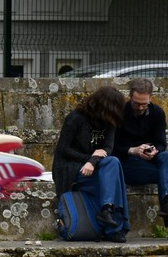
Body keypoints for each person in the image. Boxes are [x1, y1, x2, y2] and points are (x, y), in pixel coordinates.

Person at [113, 79, 168, 242]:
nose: (140, 107)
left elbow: (161, 143)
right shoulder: (119, 113)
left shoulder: (157, 113)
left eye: (144, 104)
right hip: (126, 163)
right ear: (130, 97)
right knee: (166, 175)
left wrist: (153, 150)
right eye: (136, 103)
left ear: (150, 98)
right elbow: (111, 147)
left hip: (148, 162)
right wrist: (133, 151)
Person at [52, 86, 129, 242]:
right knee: (112, 176)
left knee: (113, 162)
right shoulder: (75, 118)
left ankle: (106, 209)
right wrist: (87, 158)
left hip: (93, 166)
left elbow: (107, 148)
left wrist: (92, 161)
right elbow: (63, 149)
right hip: (71, 168)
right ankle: (115, 228)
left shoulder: (110, 121)